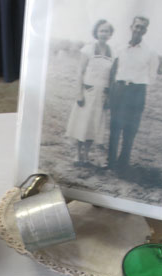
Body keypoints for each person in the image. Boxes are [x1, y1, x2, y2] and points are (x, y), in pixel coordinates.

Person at [107, 16, 159, 171]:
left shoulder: (150, 52)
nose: (138, 30)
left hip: (137, 92)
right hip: (119, 90)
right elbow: (113, 69)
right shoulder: (120, 47)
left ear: (145, 31)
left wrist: (137, 83)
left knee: (130, 129)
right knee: (115, 127)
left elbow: (152, 76)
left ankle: (123, 163)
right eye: (136, 26)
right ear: (131, 27)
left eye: (142, 28)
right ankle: (110, 162)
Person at [65, 19, 115, 167]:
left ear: (110, 34)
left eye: (107, 31)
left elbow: (112, 77)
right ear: (96, 32)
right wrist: (78, 93)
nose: (104, 34)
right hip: (87, 92)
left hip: (102, 95)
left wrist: (109, 97)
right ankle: (78, 154)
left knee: (94, 126)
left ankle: (87, 155)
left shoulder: (113, 52)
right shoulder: (88, 49)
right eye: (101, 31)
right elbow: (80, 72)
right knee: (82, 124)